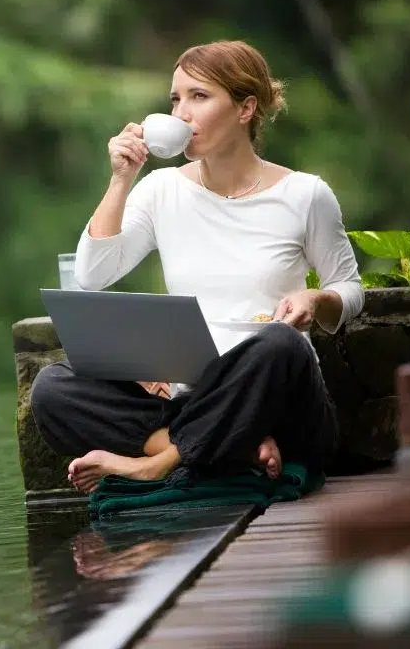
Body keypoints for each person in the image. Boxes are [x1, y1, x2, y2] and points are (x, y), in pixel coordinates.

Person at [30, 40, 364, 494]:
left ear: (245, 108)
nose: (180, 113)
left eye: (198, 97)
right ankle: (234, 448)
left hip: (282, 407)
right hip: (195, 402)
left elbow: (349, 289)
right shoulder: (161, 189)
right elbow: (92, 275)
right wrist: (121, 178)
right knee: (51, 388)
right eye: (175, 99)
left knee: (281, 345)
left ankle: (160, 462)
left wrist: (315, 298)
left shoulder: (305, 195)